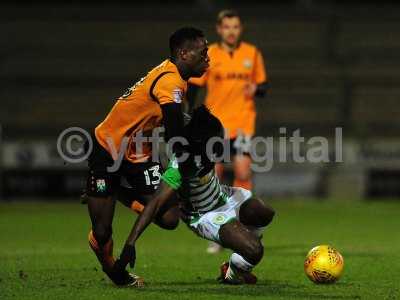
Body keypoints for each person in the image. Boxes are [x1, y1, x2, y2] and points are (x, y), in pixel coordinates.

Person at [84, 27, 210, 287]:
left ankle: (117, 192)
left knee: (169, 217)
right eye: (203, 52)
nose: (207, 58)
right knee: (102, 231)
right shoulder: (170, 81)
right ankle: (115, 273)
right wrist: (192, 162)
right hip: (108, 149)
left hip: (139, 153)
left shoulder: (176, 77)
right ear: (184, 54)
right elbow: (176, 135)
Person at [115, 106, 275, 285]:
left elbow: (172, 111)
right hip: (205, 215)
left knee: (264, 212)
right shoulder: (181, 164)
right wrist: (130, 243)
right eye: (215, 141)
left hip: (224, 195)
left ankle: (242, 247)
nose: (220, 144)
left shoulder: (196, 128)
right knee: (254, 251)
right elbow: (156, 203)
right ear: (201, 143)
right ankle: (233, 272)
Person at [188, 9, 270, 254]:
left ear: (240, 29)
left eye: (235, 26)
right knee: (215, 176)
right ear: (219, 29)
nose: (231, 31)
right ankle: (220, 229)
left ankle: (246, 227)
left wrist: (256, 89)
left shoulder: (252, 54)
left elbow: (263, 86)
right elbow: (194, 86)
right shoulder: (209, 53)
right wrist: (189, 116)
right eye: (227, 27)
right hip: (216, 126)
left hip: (243, 124)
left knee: (243, 170)